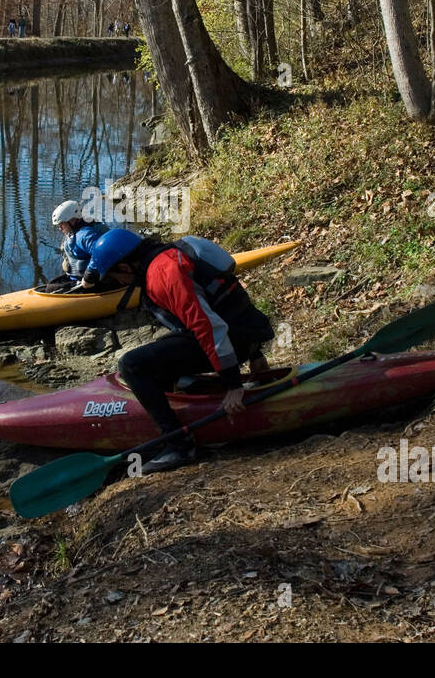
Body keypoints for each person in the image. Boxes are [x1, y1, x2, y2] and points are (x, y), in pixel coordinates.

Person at [81, 229, 274, 473]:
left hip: (233, 339)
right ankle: (193, 393)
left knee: (132, 365)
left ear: (127, 267)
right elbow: (232, 302)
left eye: (115, 276)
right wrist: (256, 352)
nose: (118, 283)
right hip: (246, 335)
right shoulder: (173, 252)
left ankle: (179, 445)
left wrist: (234, 385)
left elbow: (207, 325)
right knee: (161, 353)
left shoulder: (163, 271)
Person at [52, 200, 109, 280]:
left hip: (91, 283)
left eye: (61, 224)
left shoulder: (84, 235)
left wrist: (89, 276)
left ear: (72, 220)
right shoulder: (73, 233)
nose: (59, 228)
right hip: (76, 279)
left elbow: (101, 253)